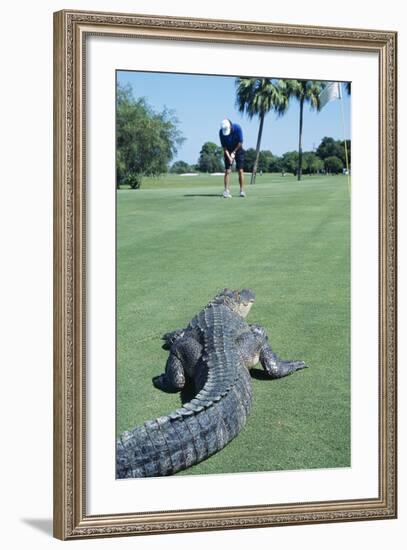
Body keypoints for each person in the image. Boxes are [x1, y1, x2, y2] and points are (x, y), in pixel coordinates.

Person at [219, 119, 246, 198]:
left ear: (230, 126)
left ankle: (242, 190)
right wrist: (229, 157)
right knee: (227, 171)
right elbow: (224, 147)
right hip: (228, 150)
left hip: (238, 149)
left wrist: (234, 152)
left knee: (240, 170)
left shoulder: (238, 128)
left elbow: (240, 142)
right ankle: (226, 191)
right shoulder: (221, 132)